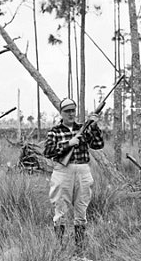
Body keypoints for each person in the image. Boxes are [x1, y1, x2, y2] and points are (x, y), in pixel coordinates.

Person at [43, 96, 104, 247]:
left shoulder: (84, 128)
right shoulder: (54, 131)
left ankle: (80, 247)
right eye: (67, 111)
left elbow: (98, 144)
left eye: (73, 111)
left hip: (83, 170)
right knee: (60, 209)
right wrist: (68, 144)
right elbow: (48, 151)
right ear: (61, 113)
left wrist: (94, 126)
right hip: (62, 171)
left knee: (81, 209)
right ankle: (59, 247)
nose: (71, 114)